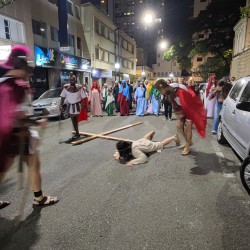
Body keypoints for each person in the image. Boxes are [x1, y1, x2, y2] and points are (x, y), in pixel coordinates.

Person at [0, 45, 59, 209]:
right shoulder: (13, 86)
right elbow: (17, 114)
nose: (28, 73)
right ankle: (39, 198)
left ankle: (39, 197)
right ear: (19, 67)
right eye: (26, 69)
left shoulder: (7, 83)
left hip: (13, 133)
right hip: (15, 134)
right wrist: (36, 122)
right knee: (15, 166)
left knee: (21, 164)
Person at [154, 79, 206, 155]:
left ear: (164, 88)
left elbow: (187, 104)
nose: (160, 92)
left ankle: (187, 146)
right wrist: (179, 114)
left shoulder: (180, 91)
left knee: (188, 127)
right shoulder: (169, 89)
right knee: (179, 126)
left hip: (190, 107)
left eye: (160, 90)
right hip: (182, 107)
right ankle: (188, 141)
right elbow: (175, 103)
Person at [114, 131, 180, 166]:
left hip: (148, 145)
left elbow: (144, 158)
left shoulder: (134, 151)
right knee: (144, 138)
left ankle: (173, 137)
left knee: (161, 144)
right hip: (140, 142)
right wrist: (118, 154)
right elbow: (121, 145)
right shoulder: (127, 142)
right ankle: (150, 133)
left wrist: (132, 161)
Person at [60, 75, 87, 142]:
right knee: (73, 120)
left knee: (75, 120)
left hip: (77, 106)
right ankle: (76, 133)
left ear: (76, 80)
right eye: (71, 80)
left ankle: (76, 133)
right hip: (70, 106)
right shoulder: (66, 88)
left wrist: (84, 106)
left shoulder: (79, 88)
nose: (73, 81)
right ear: (69, 80)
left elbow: (83, 97)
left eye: (74, 79)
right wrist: (61, 105)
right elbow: (62, 97)